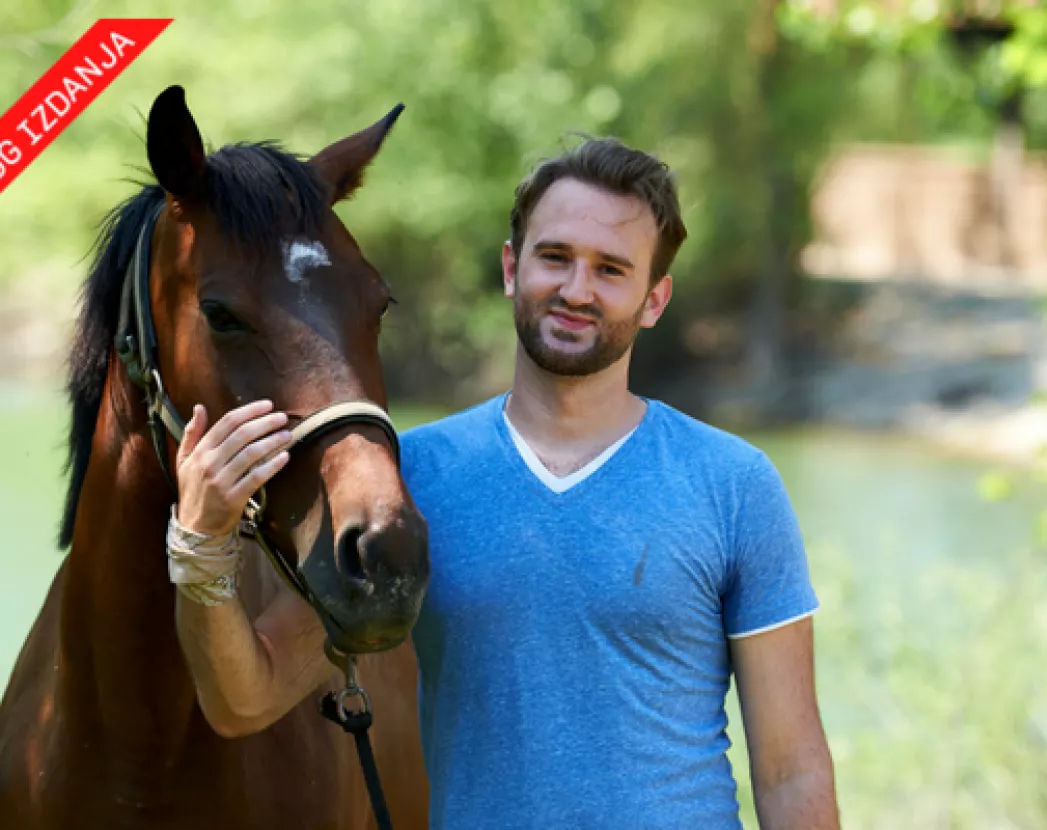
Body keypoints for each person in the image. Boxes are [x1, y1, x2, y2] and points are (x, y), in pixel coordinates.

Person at [172, 137, 840, 829]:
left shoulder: (732, 484)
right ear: (510, 268)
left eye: (611, 270)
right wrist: (201, 544)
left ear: (653, 299)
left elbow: (790, 768)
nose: (576, 290)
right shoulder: (408, 481)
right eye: (555, 257)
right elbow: (242, 700)